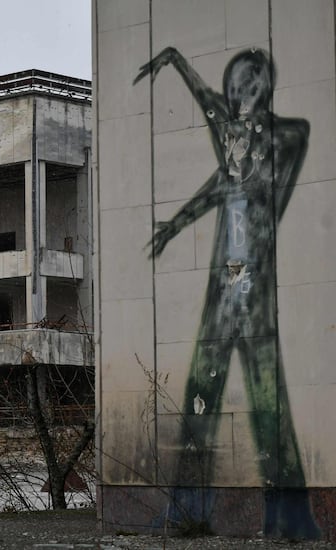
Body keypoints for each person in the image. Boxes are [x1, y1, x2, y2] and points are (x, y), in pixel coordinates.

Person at [134, 47, 319, 539]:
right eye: (233, 87)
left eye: (246, 86)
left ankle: (291, 517)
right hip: (223, 292)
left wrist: (253, 139)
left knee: (267, 404)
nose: (235, 96)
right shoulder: (238, 153)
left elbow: (275, 145)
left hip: (253, 294)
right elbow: (221, 166)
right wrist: (175, 225)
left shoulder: (284, 139)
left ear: (262, 89)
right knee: (201, 397)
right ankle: (187, 512)